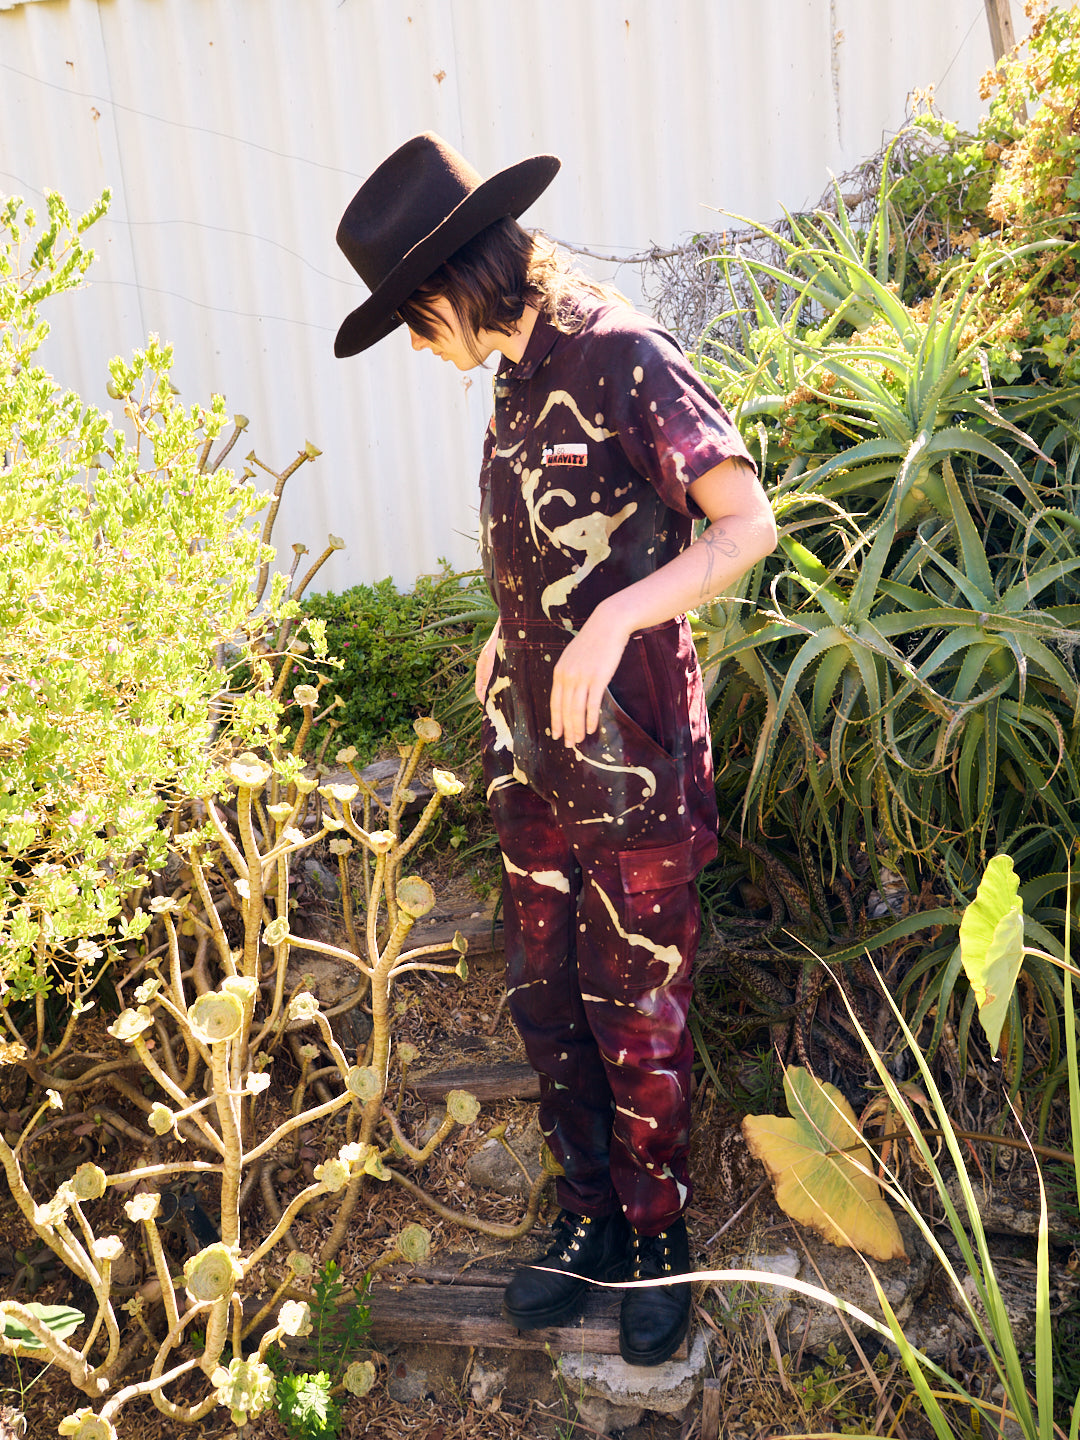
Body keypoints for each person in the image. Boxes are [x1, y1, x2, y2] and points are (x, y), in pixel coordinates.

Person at [334, 132, 776, 1367]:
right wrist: (508, 628)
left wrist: (615, 625)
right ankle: (585, 1219)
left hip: (633, 760)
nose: (422, 353)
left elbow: (748, 524)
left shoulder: (624, 355)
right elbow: (572, 534)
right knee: (549, 1003)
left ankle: (656, 1240)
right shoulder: (514, 373)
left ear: (443, 290)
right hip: (535, 758)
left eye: (412, 328)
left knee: (638, 1008)